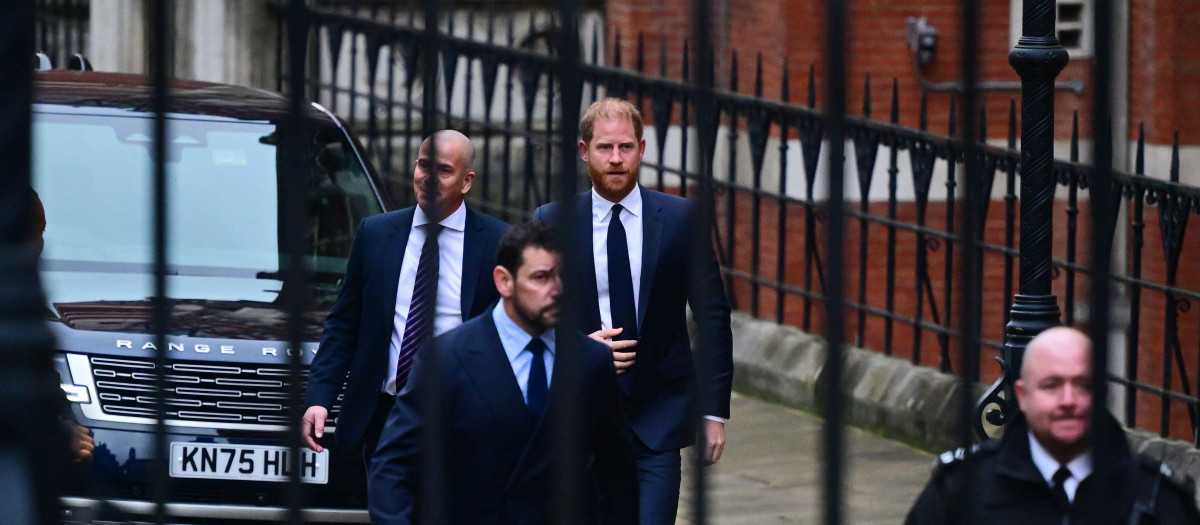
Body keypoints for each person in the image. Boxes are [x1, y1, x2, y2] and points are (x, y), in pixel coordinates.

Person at [533, 98, 733, 524]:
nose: (617, 159)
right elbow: (529, 319)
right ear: (585, 152)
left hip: (657, 424)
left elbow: (713, 318)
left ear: (641, 149)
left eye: (626, 147)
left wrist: (714, 411)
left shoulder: (681, 219)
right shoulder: (552, 222)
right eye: (605, 148)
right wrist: (579, 348)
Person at [368, 221, 638, 525]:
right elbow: (393, 466)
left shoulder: (591, 361)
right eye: (541, 277)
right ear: (503, 281)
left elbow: (617, 476)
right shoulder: (447, 358)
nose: (557, 289)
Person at [302, 130, 509, 463]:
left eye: (443, 170)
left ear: (466, 181)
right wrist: (319, 399)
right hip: (384, 416)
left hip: (460, 418)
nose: (428, 179)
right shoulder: (376, 234)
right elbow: (344, 324)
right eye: (423, 166)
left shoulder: (499, 243)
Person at [905, 326, 1200, 524]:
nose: (1068, 400)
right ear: (1021, 395)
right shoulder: (961, 488)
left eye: (1084, 385)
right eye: (1051, 385)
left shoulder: (1155, 497)